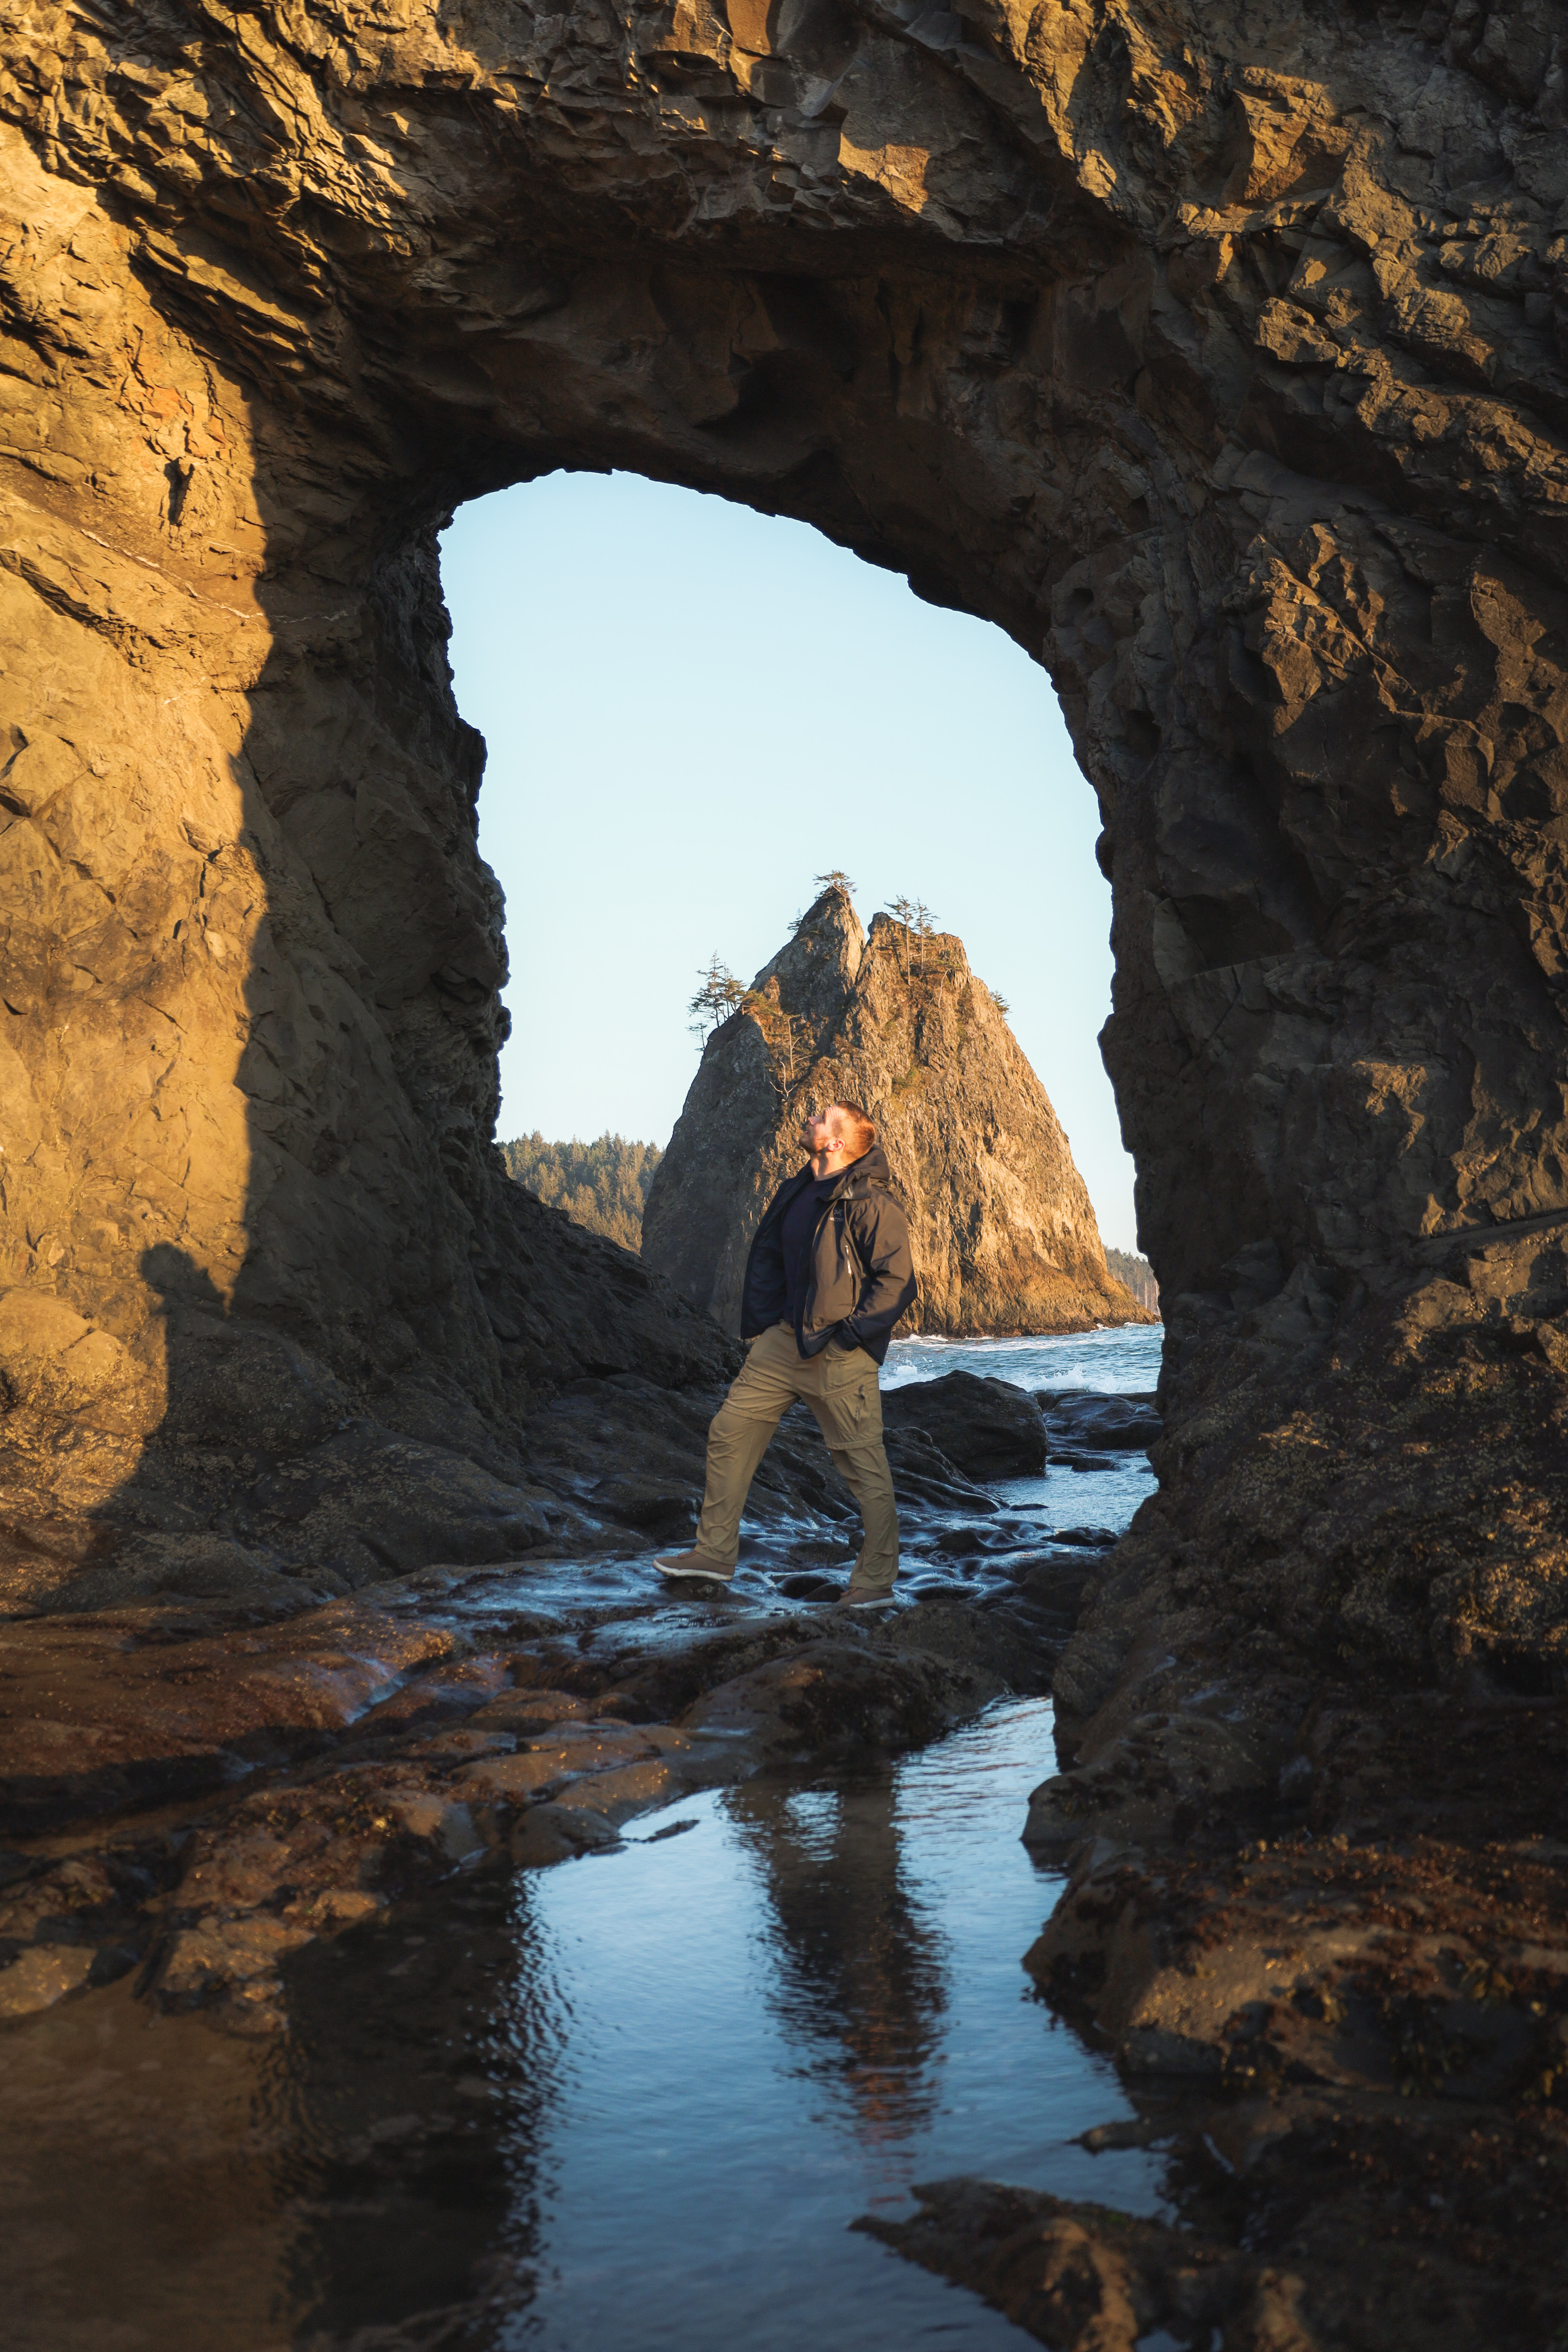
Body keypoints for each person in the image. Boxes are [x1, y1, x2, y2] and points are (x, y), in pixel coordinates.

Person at [654, 1101, 917, 1607]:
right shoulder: (797, 1186)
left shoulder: (872, 1203)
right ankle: (714, 1553)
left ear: (836, 1143)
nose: (809, 1118)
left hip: (840, 1351)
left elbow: (898, 1283)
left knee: (864, 1470)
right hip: (782, 1342)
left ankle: (875, 1583)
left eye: (820, 1117)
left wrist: (851, 1335)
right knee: (730, 1430)